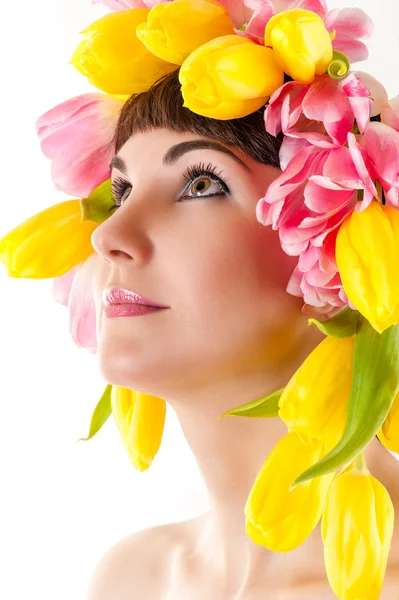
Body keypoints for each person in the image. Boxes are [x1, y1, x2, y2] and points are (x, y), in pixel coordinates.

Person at [85, 70, 399, 600]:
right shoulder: (130, 579)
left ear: (341, 252)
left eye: (200, 183)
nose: (107, 234)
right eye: (123, 191)